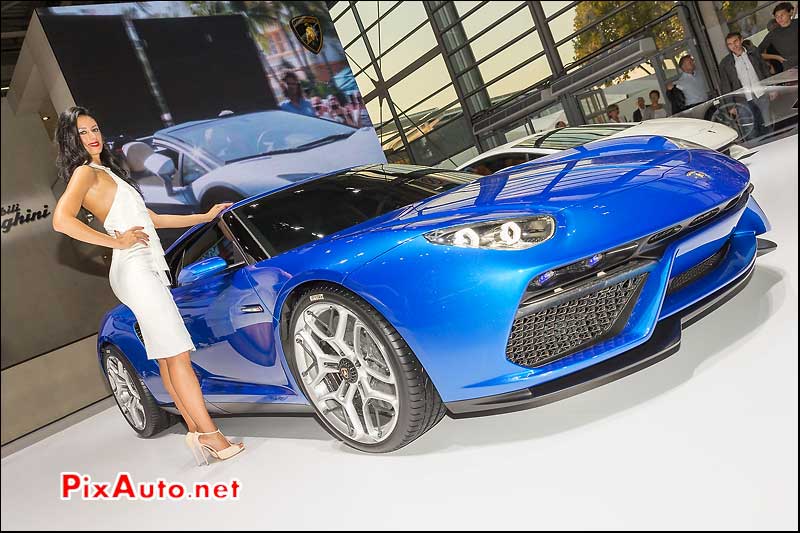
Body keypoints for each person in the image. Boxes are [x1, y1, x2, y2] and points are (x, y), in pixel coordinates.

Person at [51, 107, 244, 466]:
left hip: (145, 269)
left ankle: (196, 431)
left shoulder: (106, 171)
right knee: (178, 355)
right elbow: (61, 221)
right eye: (82, 132)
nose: (92, 136)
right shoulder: (83, 173)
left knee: (170, 357)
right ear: (70, 139)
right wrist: (116, 242)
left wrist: (203, 217)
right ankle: (212, 435)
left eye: (95, 128)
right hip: (135, 269)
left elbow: (152, 219)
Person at [718, 31, 773, 135]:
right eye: (729, 44)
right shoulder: (725, 63)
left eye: (735, 42)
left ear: (741, 40)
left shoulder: (753, 52)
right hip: (742, 100)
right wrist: (730, 106)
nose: (733, 46)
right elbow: (726, 86)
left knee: (768, 124)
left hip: (761, 93)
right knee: (750, 130)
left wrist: (771, 88)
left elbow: (764, 70)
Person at [759, 2, 798, 70]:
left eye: (782, 15)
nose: (779, 18)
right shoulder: (773, 34)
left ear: (790, 12)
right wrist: (776, 57)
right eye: (777, 16)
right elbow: (758, 53)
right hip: (791, 69)